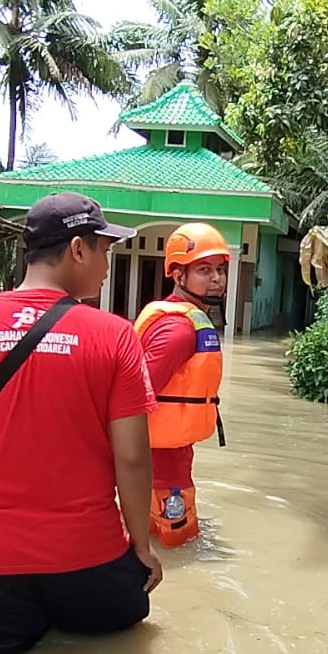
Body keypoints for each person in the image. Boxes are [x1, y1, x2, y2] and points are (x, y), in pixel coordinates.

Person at [0, 191, 163, 654]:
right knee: (119, 652)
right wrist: (142, 547)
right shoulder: (114, 337)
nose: (108, 265)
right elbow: (132, 457)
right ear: (77, 249)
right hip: (93, 565)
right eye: (104, 250)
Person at [134, 222, 229, 548]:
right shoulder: (178, 330)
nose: (217, 279)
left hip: (164, 459)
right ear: (177, 275)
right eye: (204, 270)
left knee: (153, 542)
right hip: (161, 468)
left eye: (220, 269)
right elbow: (133, 396)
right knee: (180, 549)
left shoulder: (184, 319)